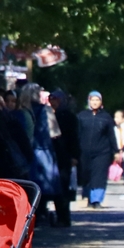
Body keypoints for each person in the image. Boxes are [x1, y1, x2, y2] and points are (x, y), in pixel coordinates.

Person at [19, 84, 62, 223]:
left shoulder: (21, 110)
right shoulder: (45, 109)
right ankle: (43, 213)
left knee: (29, 185)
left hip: (25, 151)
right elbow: (54, 133)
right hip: (43, 151)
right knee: (45, 187)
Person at [77, 90, 120, 208]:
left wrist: (116, 151)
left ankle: (97, 199)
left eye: (97, 100)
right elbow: (77, 134)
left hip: (102, 152)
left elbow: (111, 135)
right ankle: (88, 198)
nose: (95, 102)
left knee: (99, 176)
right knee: (87, 175)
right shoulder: (82, 116)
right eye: (93, 100)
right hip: (84, 152)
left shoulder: (106, 117)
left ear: (101, 102)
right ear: (89, 101)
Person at [48, 89, 80, 224]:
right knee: (56, 187)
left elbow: (74, 138)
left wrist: (74, 156)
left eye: (56, 100)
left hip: (65, 156)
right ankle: (60, 215)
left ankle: (64, 217)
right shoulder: (49, 115)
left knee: (63, 187)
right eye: (51, 100)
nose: (53, 102)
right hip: (52, 156)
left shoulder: (68, 116)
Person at [0, 89, 31, 181]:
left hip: (1, 169)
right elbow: (25, 146)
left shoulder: (14, 118)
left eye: (13, 101)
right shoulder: (10, 120)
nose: (10, 104)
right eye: (7, 101)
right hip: (11, 168)